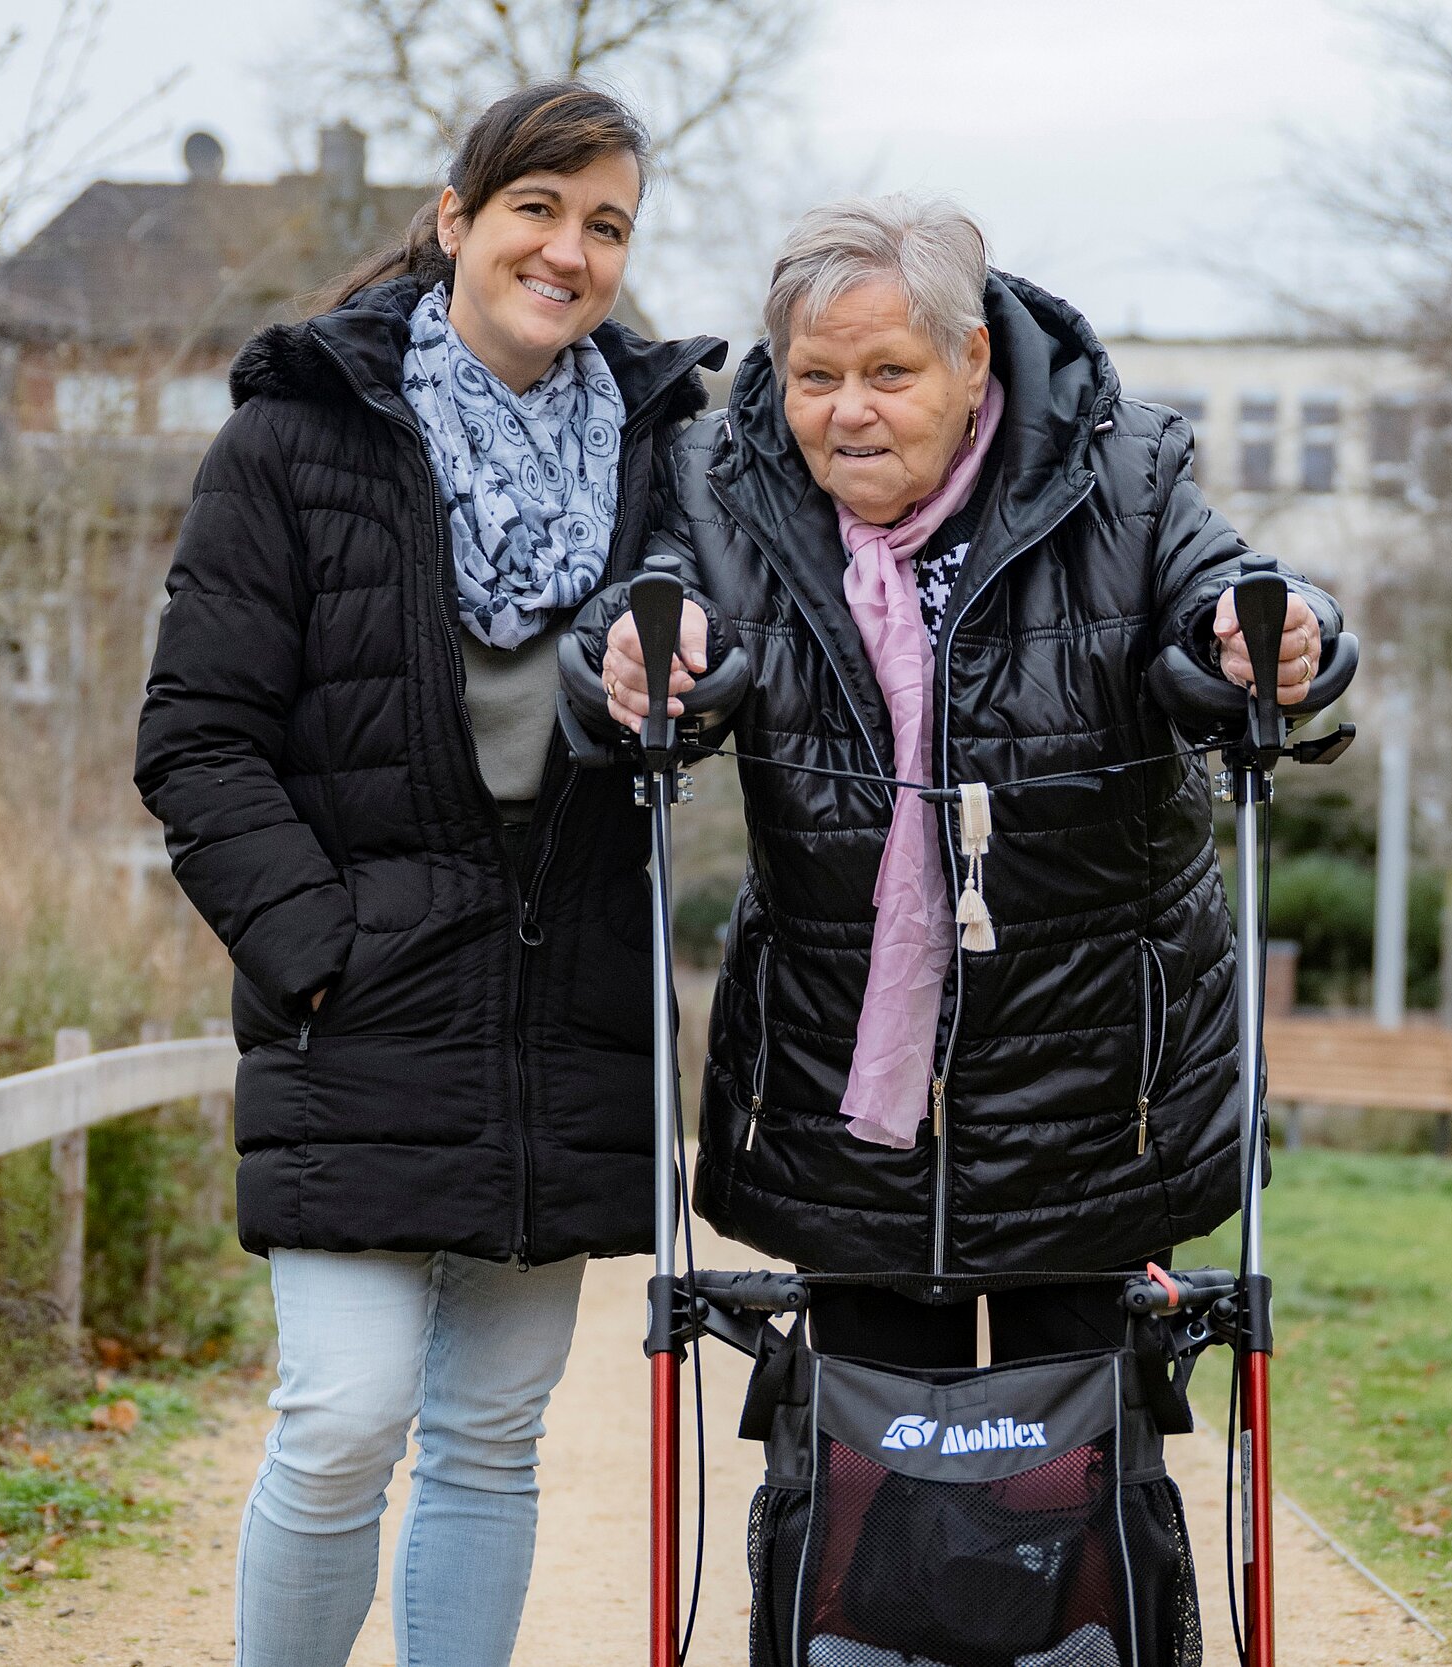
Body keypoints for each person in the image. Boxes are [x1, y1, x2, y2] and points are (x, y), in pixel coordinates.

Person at [134, 83, 723, 1667]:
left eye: (608, 224)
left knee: (488, 1432)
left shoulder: (669, 465)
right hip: (361, 1010)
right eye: (539, 208)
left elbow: (736, 685)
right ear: (458, 219)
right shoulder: (295, 436)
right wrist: (318, 949)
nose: (571, 249)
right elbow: (197, 740)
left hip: (564, 1015)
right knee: (342, 1416)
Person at [587, 195, 1341, 1369]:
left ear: (971, 357)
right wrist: (642, 652)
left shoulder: (1121, 468)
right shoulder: (722, 481)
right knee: (867, 1467)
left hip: (1094, 1086)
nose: (846, 413)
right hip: (836, 1072)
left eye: (887, 371)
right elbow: (658, 611)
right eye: (814, 375)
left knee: (1078, 1460)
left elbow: (1229, 595)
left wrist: (1277, 638)